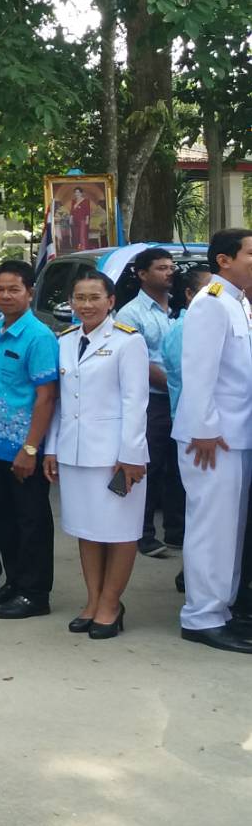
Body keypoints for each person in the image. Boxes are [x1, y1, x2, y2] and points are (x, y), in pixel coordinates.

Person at [43, 272, 148, 639]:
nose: (86, 305)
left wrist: (131, 454)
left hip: (114, 455)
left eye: (94, 297)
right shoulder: (66, 341)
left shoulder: (127, 342)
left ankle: (111, 602)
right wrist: (52, 448)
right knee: (87, 530)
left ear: (111, 301)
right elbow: (58, 401)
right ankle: (92, 600)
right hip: (74, 452)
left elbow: (137, 402)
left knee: (120, 532)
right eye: (79, 298)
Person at [173, 228, 252, 654]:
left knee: (229, 532)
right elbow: (198, 372)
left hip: (235, 435)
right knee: (211, 529)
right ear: (223, 260)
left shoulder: (237, 303)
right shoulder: (212, 304)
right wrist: (203, 429)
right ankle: (201, 617)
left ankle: (219, 610)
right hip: (212, 440)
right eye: (251, 253)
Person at [0, 261, 59, 620]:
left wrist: (30, 448)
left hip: (23, 448)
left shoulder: (39, 337)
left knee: (31, 522)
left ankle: (34, 593)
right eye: (0, 289)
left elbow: (46, 397)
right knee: (4, 520)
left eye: (14, 289)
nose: (6, 296)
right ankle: (14, 582)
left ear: (29, 292)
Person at [116, 247, 180, 558]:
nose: (169, 272)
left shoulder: (177, 309)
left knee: (178, 467)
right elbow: (140, 363)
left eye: (171, 267)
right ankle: (142, 533)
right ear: (142, 274)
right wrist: (176, 386)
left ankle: (177, 531)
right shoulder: (131, 314)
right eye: (161, 268)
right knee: (149, 466)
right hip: (153, 400)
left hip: (180, 400)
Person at [164, 266, 214, 417]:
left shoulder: (213, 324)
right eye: (210, 291)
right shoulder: (182, 329)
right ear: (190, 294)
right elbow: (192, 382)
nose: (218, 295)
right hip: (191, 420)